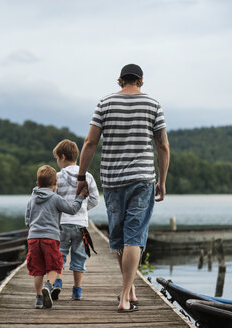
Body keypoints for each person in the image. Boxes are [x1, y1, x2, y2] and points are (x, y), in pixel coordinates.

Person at [76, 63, 170, 312]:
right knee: (134, 237)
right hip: (142, 179)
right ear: (141, 81)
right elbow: (162, 146)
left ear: (120, 81)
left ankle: (128, 290)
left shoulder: (104, 103)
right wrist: (162, 179)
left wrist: (81, 176)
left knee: (120, 238)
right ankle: (125, 297)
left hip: (113, 180)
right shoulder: (153, 104)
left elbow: (90, 142)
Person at [25, 164, 89, 309]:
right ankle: (48, 285)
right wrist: (80, 197)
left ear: (37, 184)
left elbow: (27, 220)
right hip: (51, 238)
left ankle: (38, 299)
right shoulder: (55, 198)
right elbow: (72, 209)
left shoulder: (31, 200)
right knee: (56, 265)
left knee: (37, 269)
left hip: (33, 238)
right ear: (55, 183)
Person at [50, 139, 100, 301]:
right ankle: (77, 290)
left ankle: (57, 282)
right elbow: (95, 199)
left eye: (57, 158)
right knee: (79, 256)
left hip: (61, 224)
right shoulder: (87, 176)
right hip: (81, 226)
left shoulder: (57, 177)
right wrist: (83, 208)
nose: (57, 162)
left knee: (59, 255)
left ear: (62, 157)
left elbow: (52, 199)